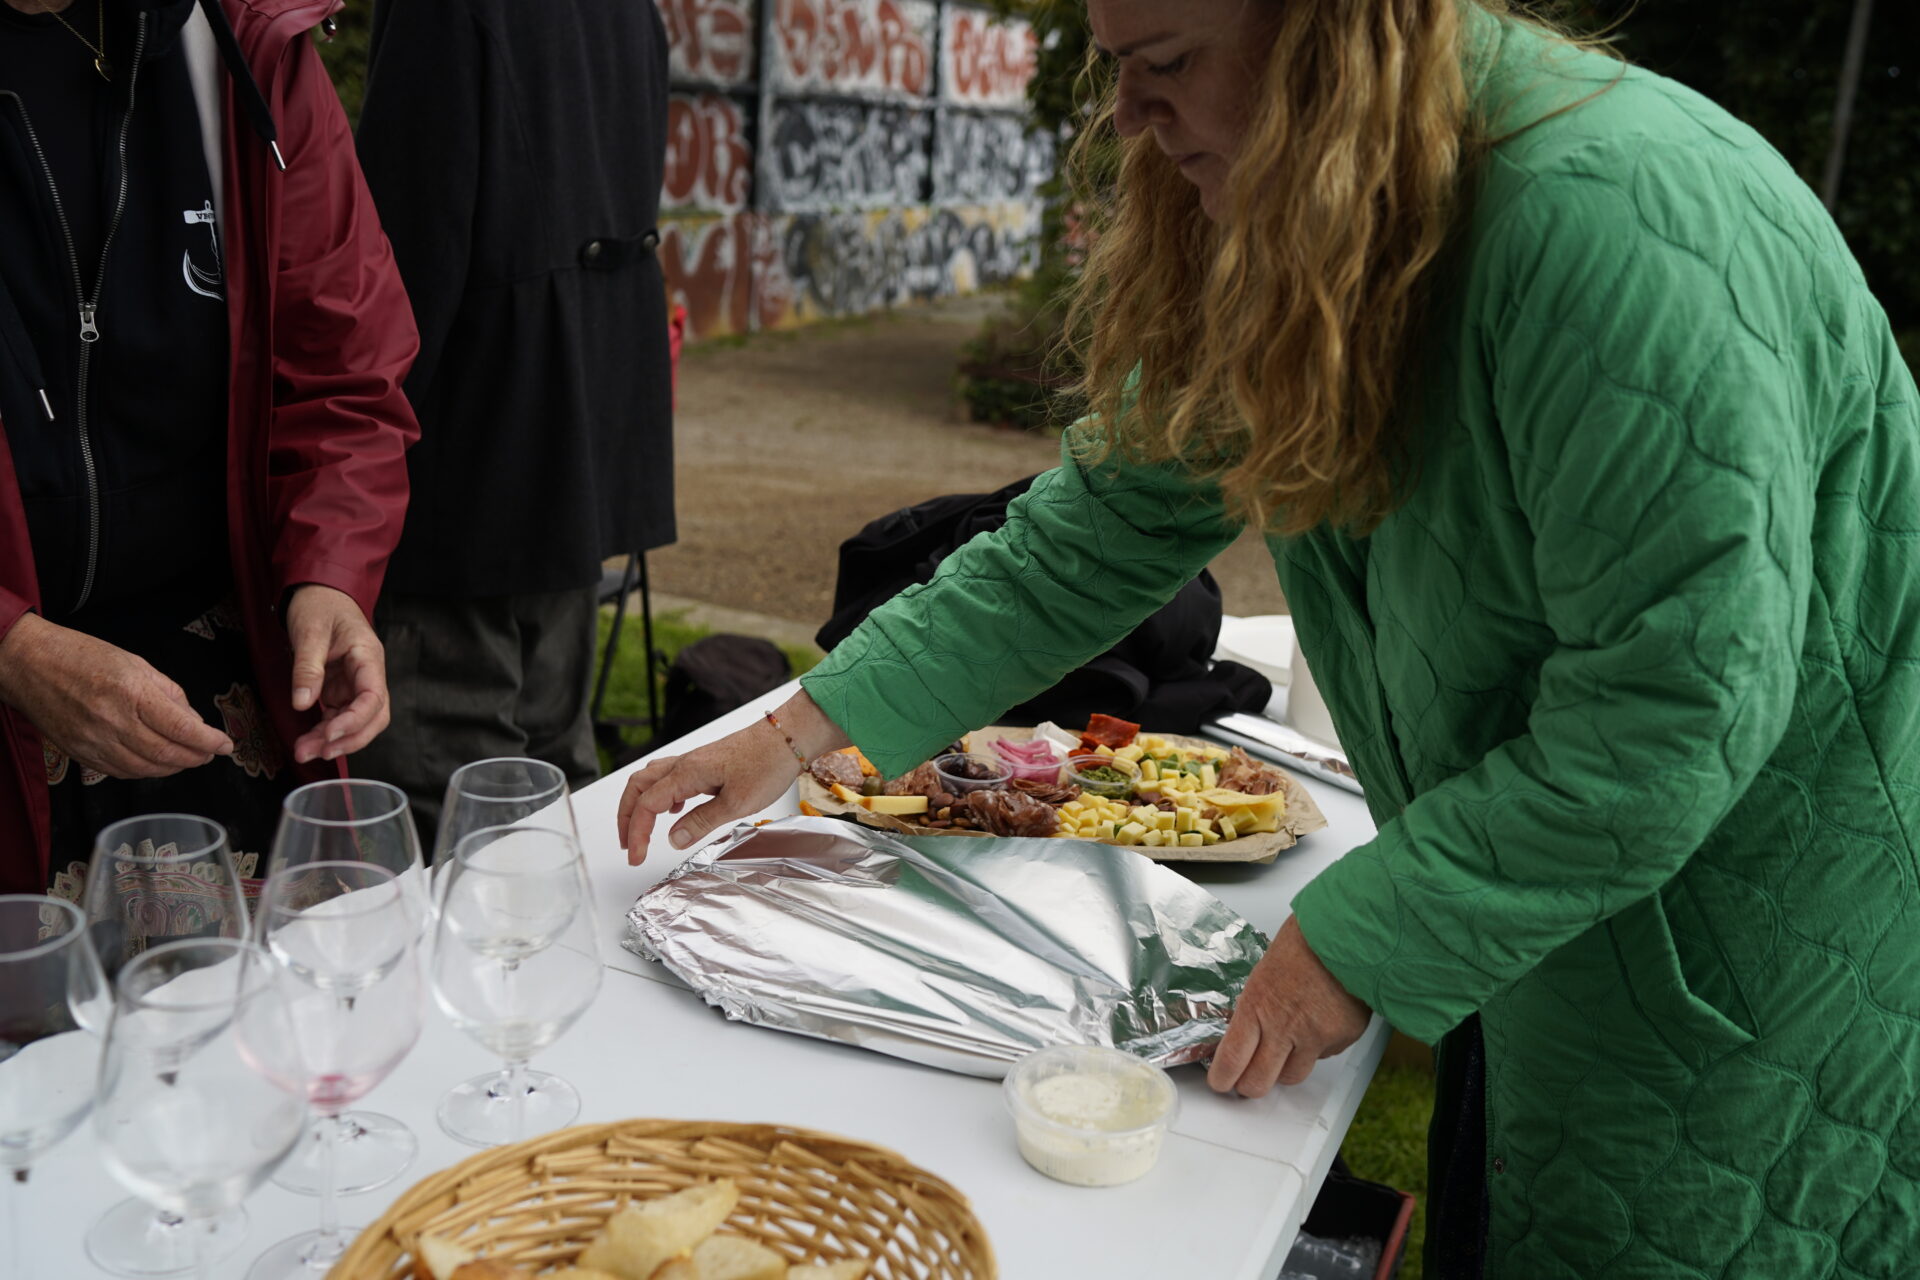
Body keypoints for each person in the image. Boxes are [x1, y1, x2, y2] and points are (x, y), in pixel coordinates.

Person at [618, 0, 1920, 1274]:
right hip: (1564, 914)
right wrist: (798, 726)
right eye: (1116, 64)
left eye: (1168, 61)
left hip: (1747, 959)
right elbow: (1098, 532)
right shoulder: (1310, 186)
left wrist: (1362, 938)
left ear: (1328, 38)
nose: (1128, 113)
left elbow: (1674, 705)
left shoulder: (1616, 226)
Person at [0, 0, 418, 897]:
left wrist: (329, 576)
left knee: (264, 1028)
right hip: (13, 714)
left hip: (211, 702)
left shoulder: (240, 47)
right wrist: (12, 649)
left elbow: (343, 368)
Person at [350, 0, 675, 849]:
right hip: (575, 432)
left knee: (454, 805)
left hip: (471, 450)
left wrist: (354, 453)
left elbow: (402, 249)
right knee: (547, 781)